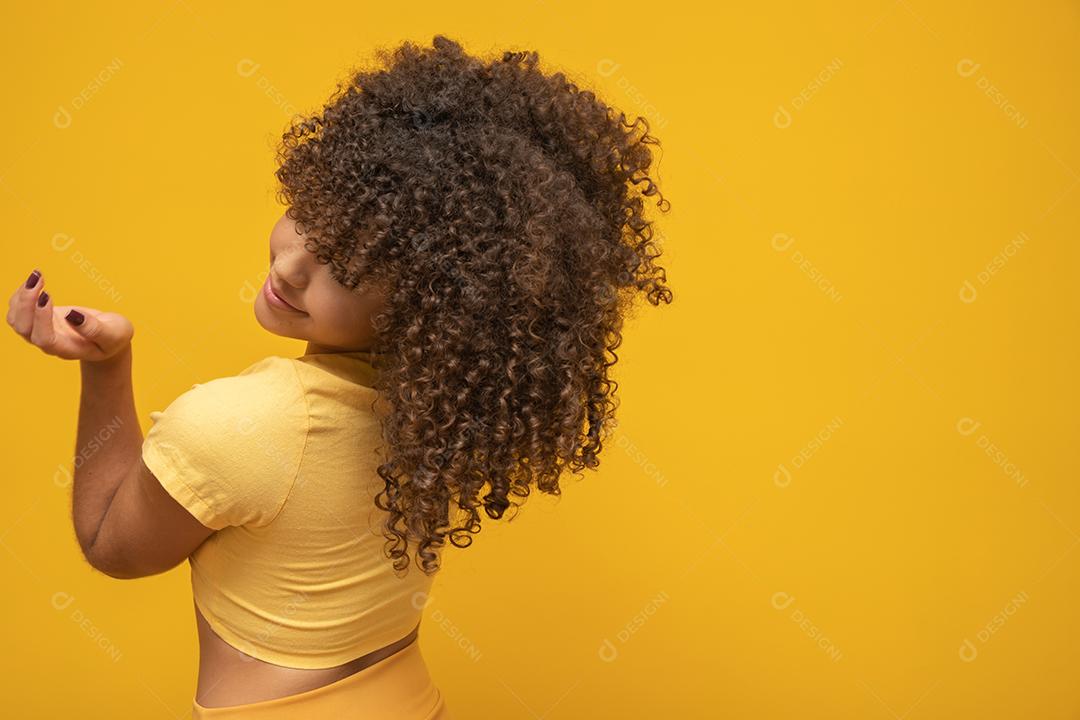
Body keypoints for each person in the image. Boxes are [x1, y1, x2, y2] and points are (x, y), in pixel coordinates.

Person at [6, 34, 673, 718]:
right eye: (314, 218)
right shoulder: (434, 421)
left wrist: (107, 368)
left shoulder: (243, 425)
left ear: (425, 305)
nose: (292, 266)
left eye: (348, 269)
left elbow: (111, 545)